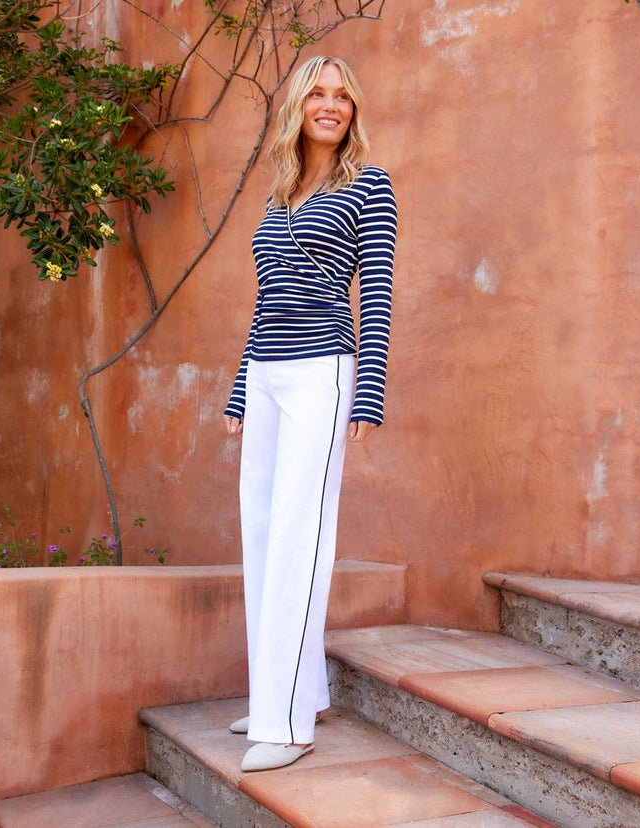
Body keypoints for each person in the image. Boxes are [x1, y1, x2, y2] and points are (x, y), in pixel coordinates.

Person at [223, 55, 397, 773]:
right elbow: (264, 301)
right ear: (298, 106)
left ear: (353, 111)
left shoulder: (371, 187)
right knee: (262, 537)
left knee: (301, 537)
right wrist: (240, 389)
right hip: (266, 373)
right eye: (318, 94)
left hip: (324, 370)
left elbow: (377, 292)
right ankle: (278, 695)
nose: (331, 106)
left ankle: (289, 727)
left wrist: (371, 389)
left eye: (343, 97)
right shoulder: (278, 197)